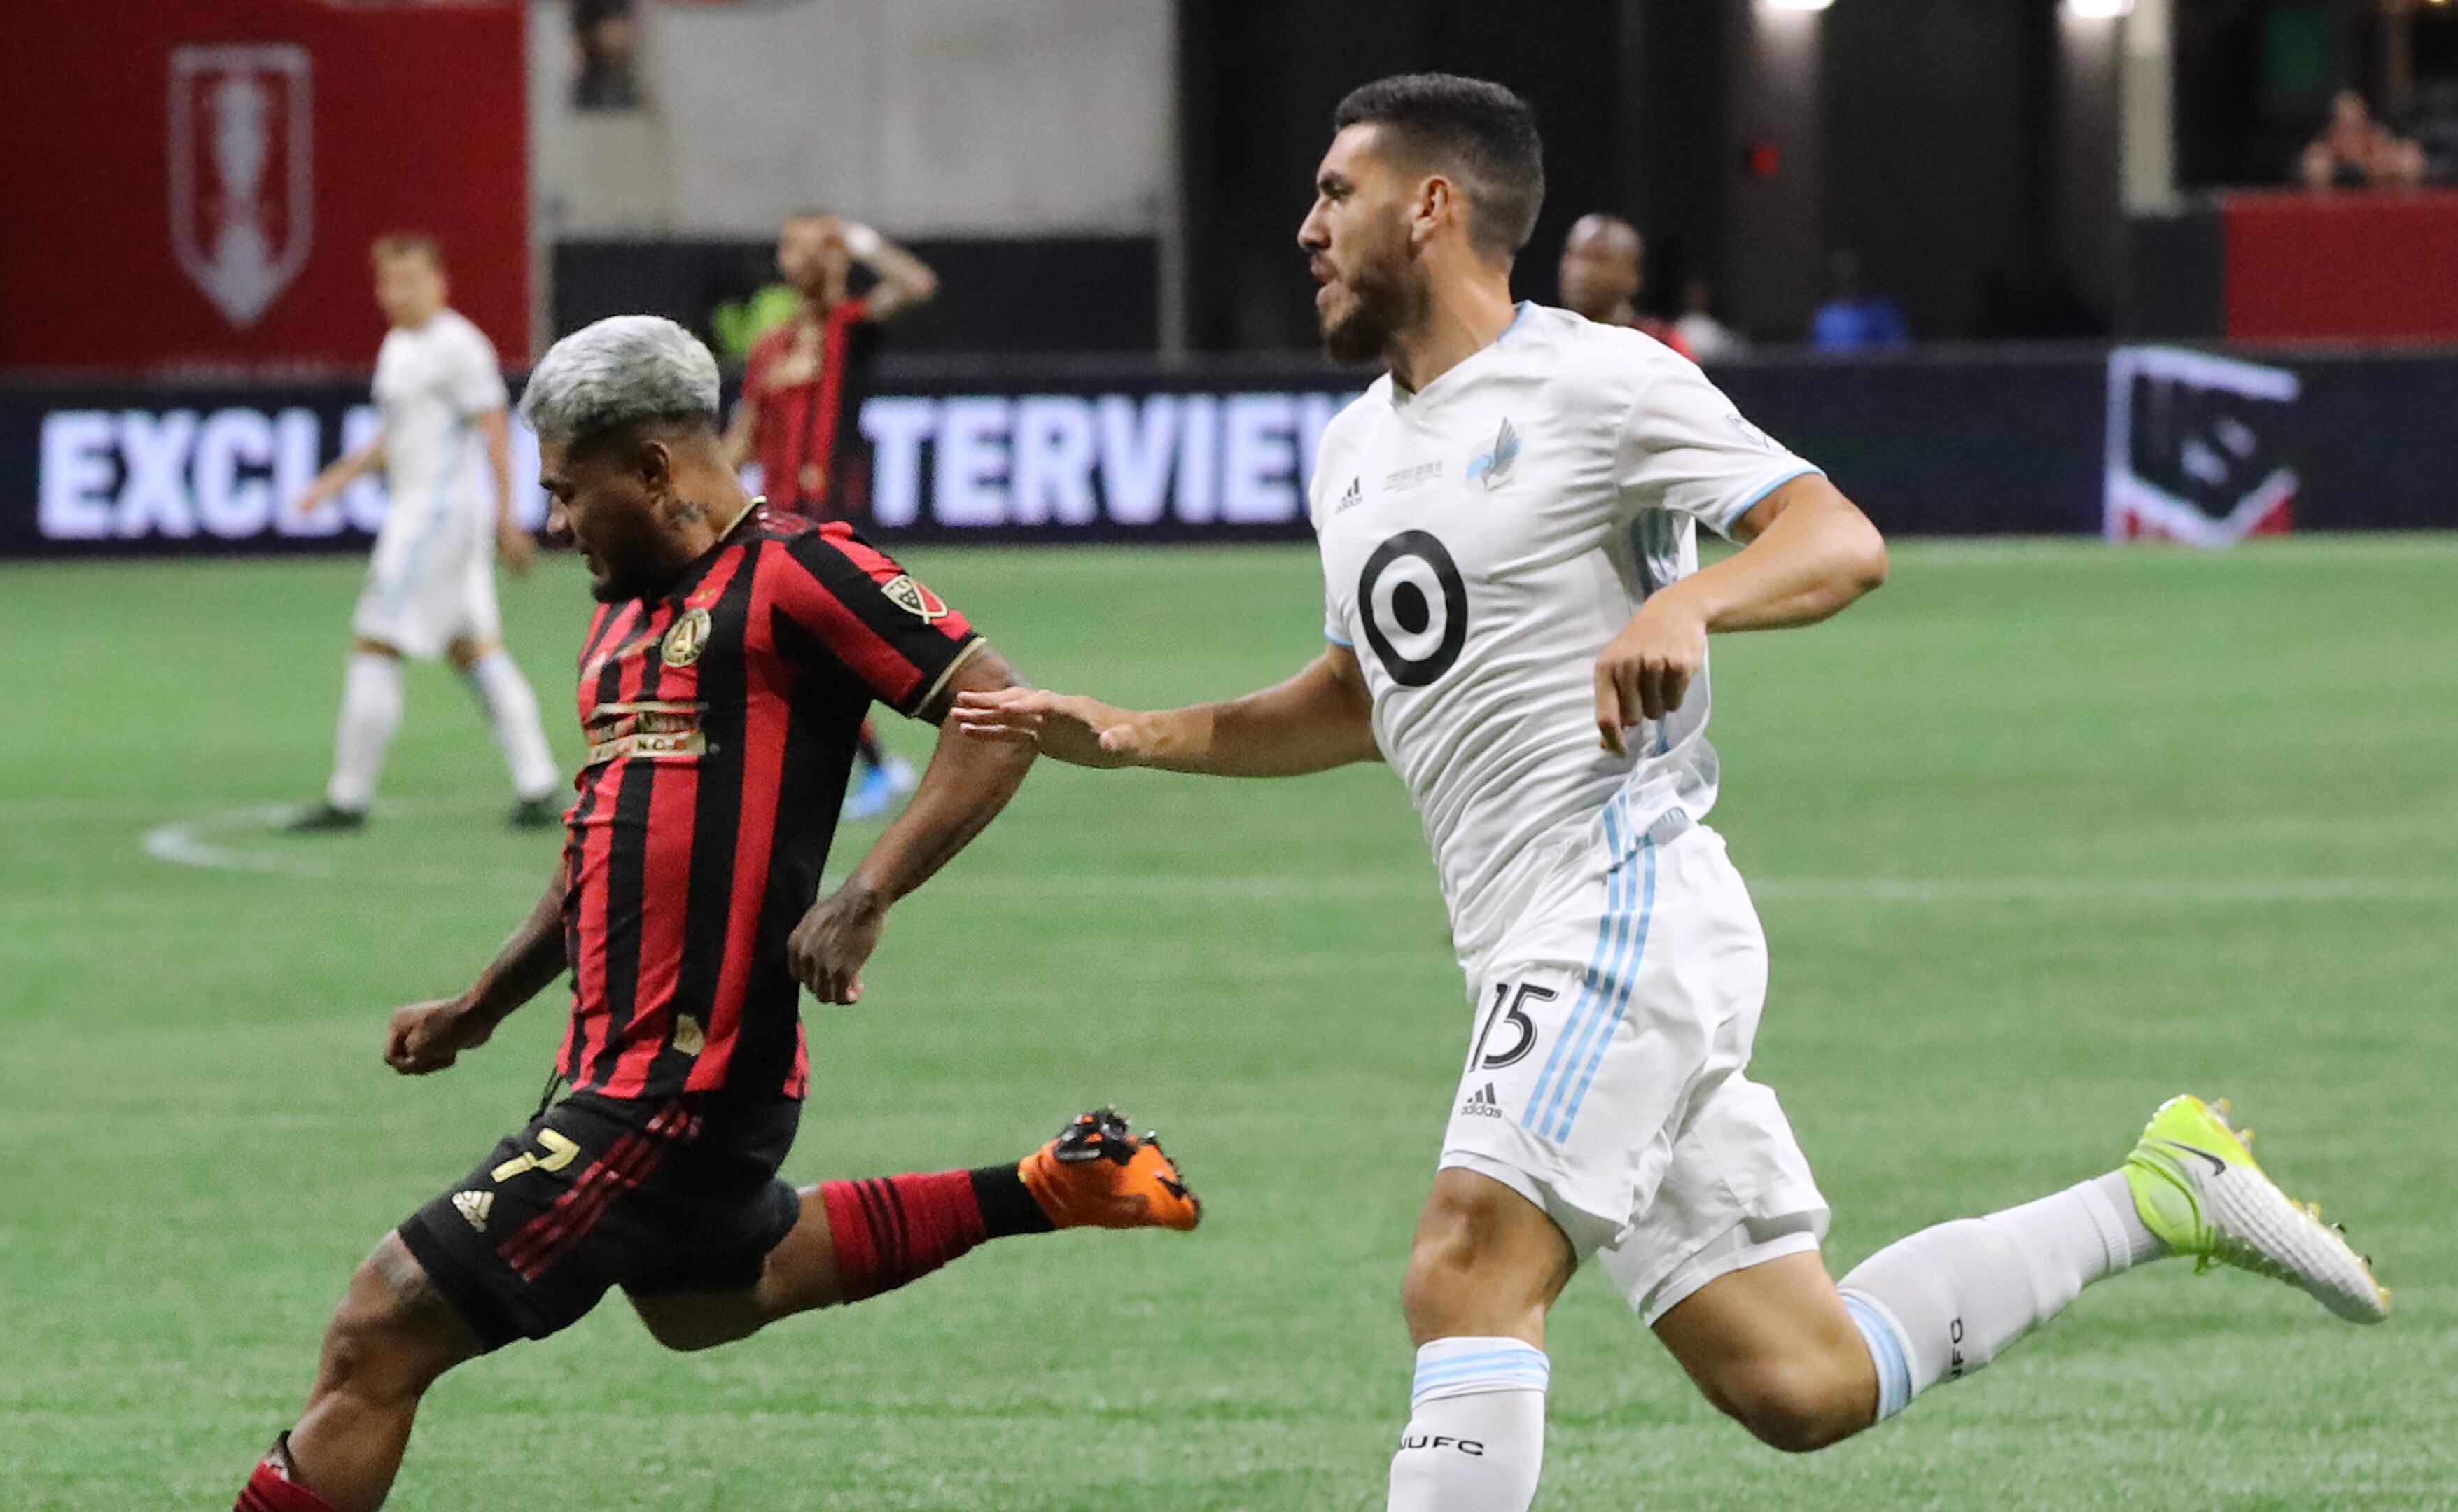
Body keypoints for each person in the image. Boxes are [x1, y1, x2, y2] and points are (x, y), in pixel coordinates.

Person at [956, 73, 2387, 1512]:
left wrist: (1690, 604)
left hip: (1621, 906)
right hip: (1523, 940)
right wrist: (1140, 734)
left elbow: (1836, 537)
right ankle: (2159, 1197)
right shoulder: (1356, 453)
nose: (1307, 227)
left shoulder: (1595, 381)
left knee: (1464, 1269)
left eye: (1338, 192)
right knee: (1804, 1382)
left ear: (1433, 206)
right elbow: (1363, 699)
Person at [230, 315, 1202, 1512]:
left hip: (682, 1080)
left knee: (378, 1331)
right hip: (609, 1068)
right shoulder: (621, 617)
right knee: (705, 1298)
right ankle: (1056, 1184)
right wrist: (482, 1005)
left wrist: (868, 889)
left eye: (569, 493)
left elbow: (998, 712)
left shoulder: (803, 571)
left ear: (653, 470)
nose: (553, 523)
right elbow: (599, 843)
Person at [285, 235, 565, 832]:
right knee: (474, 649)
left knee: (375, 643)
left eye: (412, 279)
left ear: (440, 282)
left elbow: (494, 428)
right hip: (433, 518)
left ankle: (348, 797)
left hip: (433, 519)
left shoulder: (457, 345)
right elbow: (398, 438)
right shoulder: (399, 347)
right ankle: (539, 783)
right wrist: (336, 480)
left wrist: (508, 516)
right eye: (389, 281)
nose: (399, 293)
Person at [726, 214, 941, 818]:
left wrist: (864, 239)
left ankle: (915, 740)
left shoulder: (852, 327)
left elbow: (917, 285)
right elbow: (744, 433)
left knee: (823, 645)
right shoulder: (771, 345)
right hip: (775, 520)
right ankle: (874, 763)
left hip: (836, 517)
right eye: (790, 244)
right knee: (804, 647)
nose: (798, 255)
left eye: (810, 244)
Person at [1557, 212, 1691, 359]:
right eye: (1575, 256)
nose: (1582, 272)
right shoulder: (1544, 337)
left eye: (1601, 259)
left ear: (1634, 276)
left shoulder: (1662, 345)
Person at [2300, 89, 2426, 190]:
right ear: (2332, 129)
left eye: (2355, 128)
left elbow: (2410, 161)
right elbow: (2313, 170)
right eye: (2344, 128)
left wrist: (2385, 167)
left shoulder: (2379, 144)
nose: (2350, 137)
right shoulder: (2321, 153)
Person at [1811, 249, 1909, 353]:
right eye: (1841, 278)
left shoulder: (1883, 313)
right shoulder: (1825, 318)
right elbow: (1817, 359)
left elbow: (1900, 354)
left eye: (1852, 277)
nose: (1847, 284)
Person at [1673, 276, 1748, 363]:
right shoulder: (1677, 328)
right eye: (1693, 294)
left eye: (1701, 295)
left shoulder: (1716, 329)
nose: (1697, 299)